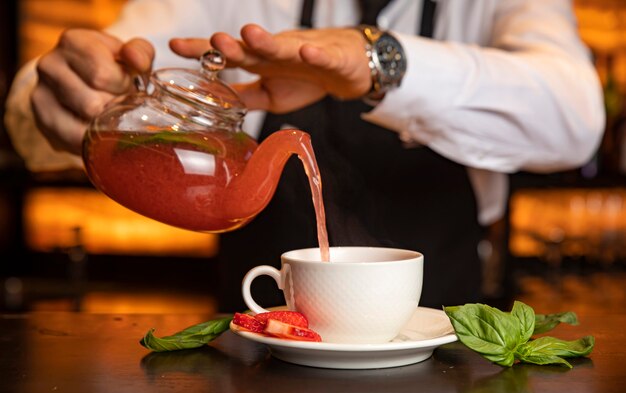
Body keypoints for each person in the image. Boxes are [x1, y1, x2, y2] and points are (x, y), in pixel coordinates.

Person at [5, 0, 605, 312]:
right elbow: (65, 86)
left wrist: (379, 62)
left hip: (447, 345)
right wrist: (58, 90)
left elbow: (578, 119)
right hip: (252, 343)